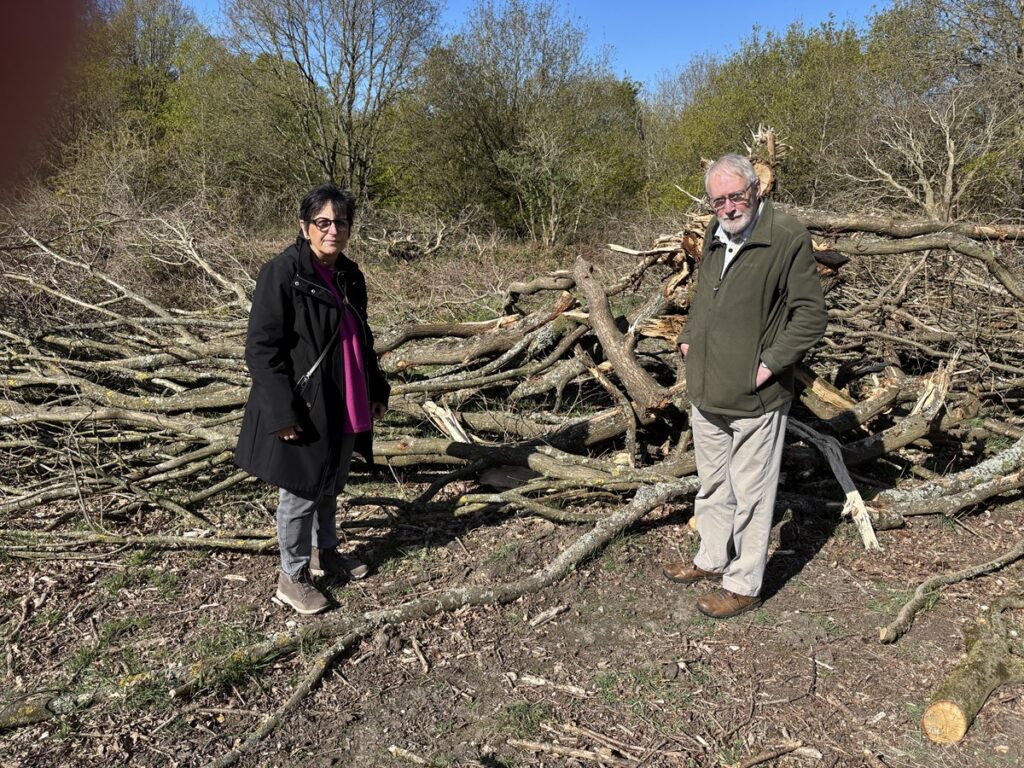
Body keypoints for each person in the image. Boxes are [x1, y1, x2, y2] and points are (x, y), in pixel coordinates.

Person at [662, 154, 827, 619]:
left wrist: (769, 365)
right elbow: (702, 300)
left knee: (753, 493)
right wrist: (689, 338)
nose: (730, 207)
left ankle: (743, 584)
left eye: (737, 196)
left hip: (756, 397)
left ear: (756, 190)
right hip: (706, 389)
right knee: (713, 484)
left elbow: (811, 316)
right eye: (720, 200)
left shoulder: (786, 235)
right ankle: (712, 557)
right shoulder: (716, 234)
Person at [235, 184, 390, 615]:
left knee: (329, 483)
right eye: (322, 222)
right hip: (304, 401)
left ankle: (326, 552)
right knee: (301, 492)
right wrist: (281, 411)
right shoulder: (282, 273)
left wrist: (376, 388)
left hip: (346, 394)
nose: (332, 230)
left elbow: (361, 335)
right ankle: (292, 576)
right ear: (305, 228)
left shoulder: (350, 274)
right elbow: (262, 349)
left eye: (340, 222)